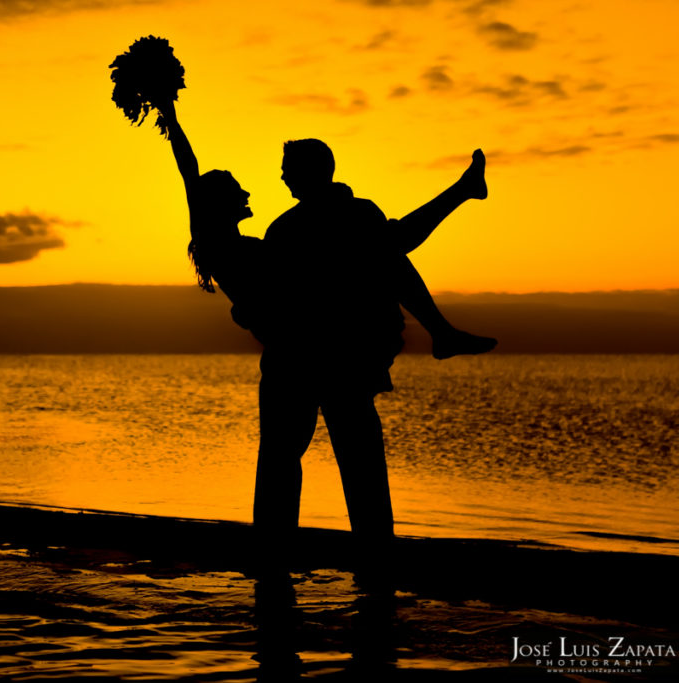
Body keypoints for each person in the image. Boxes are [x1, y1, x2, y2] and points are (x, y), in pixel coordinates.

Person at [155, 99, 492, 568]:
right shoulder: (242, 238)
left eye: (285, 170)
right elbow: (190, 177)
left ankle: (280, 558)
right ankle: (296, 560)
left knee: (295, 462)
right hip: (310, 358)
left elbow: (304, 280)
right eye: (236, 188)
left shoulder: (278, 234)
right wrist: (171, 120)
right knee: (327, 463)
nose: (262, 185)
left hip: (308, 356)